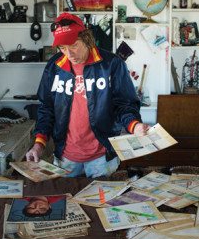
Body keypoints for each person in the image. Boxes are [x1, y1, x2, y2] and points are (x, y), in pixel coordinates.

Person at [25, 12, 150, 177]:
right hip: (65, 156)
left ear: (86, 39)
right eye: (63, 48)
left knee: (103, 201)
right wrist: (39, 144)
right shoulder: (54, 66)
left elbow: (124, 104)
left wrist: (134, 125)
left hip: (102, 157)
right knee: (66, 200)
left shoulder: (112, 64)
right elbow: (46, 107)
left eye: (74, 45)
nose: (70, 55)